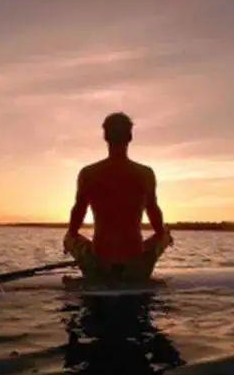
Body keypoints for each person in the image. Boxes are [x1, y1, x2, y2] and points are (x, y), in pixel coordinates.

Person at [64, 112, 172, 281]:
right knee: (165, 233)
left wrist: (73, 239)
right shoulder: (146, 174)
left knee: (69, 237)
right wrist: (163, 235)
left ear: (105, 137)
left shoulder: (88, 174)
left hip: (100, 267)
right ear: (130, 137)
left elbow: (74, 227)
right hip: (135, 269)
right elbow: (157, 226)